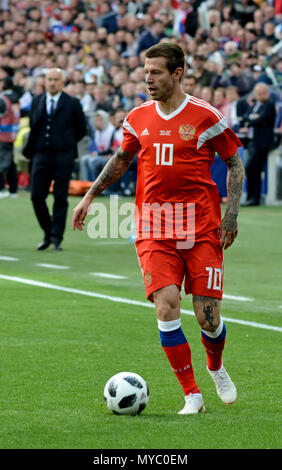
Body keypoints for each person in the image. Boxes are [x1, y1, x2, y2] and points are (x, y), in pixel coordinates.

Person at [72, 42, 245, 415]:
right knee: (167, 308)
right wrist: (89, 196)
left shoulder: (205, 116)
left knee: (207, 317)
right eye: (145, 72)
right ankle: (192, 395)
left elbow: (235, 163)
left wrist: (230, 217)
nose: (148, 79)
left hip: (201, 228)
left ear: (177, 73)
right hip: (154, 227)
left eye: (156, 73)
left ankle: (215, 366)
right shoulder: (136, 118)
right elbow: (122, 159)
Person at [23, 68, 87, 251]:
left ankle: (56, 238)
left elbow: (81, 129)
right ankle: (48, 231)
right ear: (45, 81)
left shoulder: (72, 103)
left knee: (60, 196)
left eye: (56, 79)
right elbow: (33, 125)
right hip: (41, 155)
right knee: (36, 196)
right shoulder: (37, 101)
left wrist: (65, 143)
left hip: (63, 156)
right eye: (49, 79)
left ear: (62, 82)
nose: (52, 82)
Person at [240, 82, 276, 206]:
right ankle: (251, 197)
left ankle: (254, 198)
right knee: (251, 169)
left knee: (253, 168)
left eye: (263, 92)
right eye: (259, 93)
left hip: (261, 142)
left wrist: (251, 119)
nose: (261, 95)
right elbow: (245, 117)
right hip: (251, 141)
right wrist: (252, 118)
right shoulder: (255, 104)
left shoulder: (269, 105)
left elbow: (261, 119)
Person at [0, 73, 20, 199]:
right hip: (13, 134)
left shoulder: (3, 99)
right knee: (11, 163)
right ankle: (13, 190)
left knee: (2, 162)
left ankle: (1, 189)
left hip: (2, 135)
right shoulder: (16, 98)